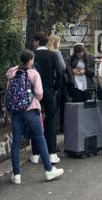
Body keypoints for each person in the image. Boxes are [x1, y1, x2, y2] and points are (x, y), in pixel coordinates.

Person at [6, 50, 64, 184]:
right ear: (31, 60)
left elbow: (8, 91)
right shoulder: (33, 73)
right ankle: (49, 170)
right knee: (39, 138)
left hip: (15, 111)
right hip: (31, 109)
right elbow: (39, 93)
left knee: (16, 142)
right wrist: (33, 100)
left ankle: (17, 175)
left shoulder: (12, 72)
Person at [32, 32, 62, 164]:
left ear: (37, 41)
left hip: (34, 93)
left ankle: (35, 153)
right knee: (51, 121)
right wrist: (55, 87)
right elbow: (60, 72)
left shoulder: (32, 55)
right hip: (49, 91)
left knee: (35, 121)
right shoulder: (53, 54)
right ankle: (52, 153)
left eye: (34, 41)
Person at [46, 34, 67, 133]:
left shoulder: (45, 52)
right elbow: (63, 68)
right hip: (56, 84)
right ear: (55, 42)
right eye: (59, 42)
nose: (59, 44)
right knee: (54, 111)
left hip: (45, 84)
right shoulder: (57, 52)